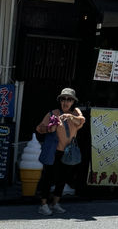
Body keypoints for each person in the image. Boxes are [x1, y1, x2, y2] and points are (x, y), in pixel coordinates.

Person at [35, 87, 85, 216]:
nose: (66, 102)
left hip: (67, 153)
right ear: (60, 100)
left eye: (69, 99)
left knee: (62, 179)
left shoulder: (75, 114)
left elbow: (81, 120)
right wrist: (49, 129)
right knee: (47, 178)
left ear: (73, 102)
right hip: (54, 152)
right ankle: (43, 204)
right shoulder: (53, 113)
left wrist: (70, 117)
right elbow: (39, 129)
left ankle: (55, 203)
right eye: (63, 99)